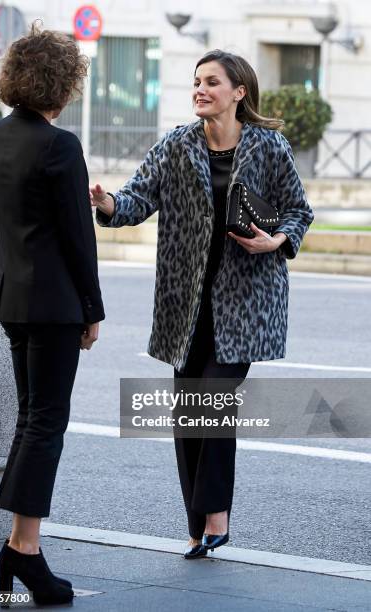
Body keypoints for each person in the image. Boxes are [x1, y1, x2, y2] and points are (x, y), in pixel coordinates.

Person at [92, 49, 313, 559]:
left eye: (211, 81)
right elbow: (135, 201)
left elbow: (299, 211)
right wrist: (106, 203)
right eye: (196, 81)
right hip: (184, 305)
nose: (200, 89)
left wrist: (276, 240)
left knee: (213, 399)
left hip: (248, 301)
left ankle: (216, 514)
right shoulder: (176, 144)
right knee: (188, 413)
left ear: (238, 92)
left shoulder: (270, 147)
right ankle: (197, 526)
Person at [0, 23, 105, 605]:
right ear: (63, 82)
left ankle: (19, 545)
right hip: (54, 304)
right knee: (44, 423)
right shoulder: (61, 145)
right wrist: (92, 309)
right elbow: (80, 237)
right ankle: (23, 550)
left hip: (12, 300)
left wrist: (5, 285)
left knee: (31, 419)